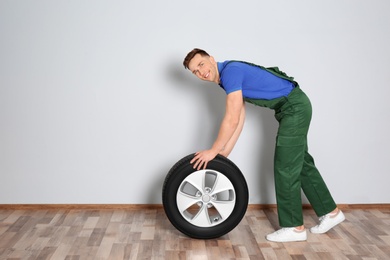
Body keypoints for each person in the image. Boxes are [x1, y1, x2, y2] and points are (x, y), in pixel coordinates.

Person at [182, 48, 345, 242]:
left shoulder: (230, 72)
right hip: (294, 107)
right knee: (301, 164)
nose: (200, 72)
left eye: (201, 64)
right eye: (195, 71)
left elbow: (232, 118)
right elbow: (240, 116)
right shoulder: (226, 78)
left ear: (211, 59)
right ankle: (331, 212)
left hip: (294, 109)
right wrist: (224, 153)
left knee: (285, 167)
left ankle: (294, 227)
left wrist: (213, 150)